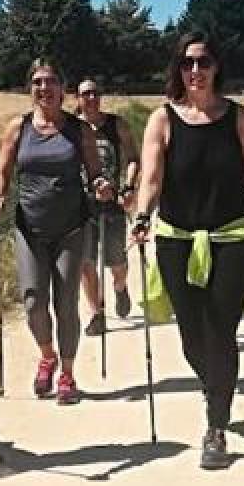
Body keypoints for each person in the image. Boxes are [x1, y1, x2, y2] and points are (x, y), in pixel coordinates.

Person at [132, 33, 244, 470]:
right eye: (188, 63)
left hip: (232, 236)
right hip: (177, 238)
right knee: (191, 333)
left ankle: (216, 425)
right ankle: (214, 382)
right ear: (178, 69)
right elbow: (153, 178)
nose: (196, 71)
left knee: (220, 327)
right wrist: (141, 215)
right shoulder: (162, 120)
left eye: (204, 62)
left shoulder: (239, 117)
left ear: (217, 68)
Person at [0, 59, 111, 405]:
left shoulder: (79, 130)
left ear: (63, 88)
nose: (45, 88)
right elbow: (2, 171)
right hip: (30, 228)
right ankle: (47, 356)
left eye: (52, 82)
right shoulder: (19, 128)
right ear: (31, 89)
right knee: (32, 301)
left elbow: (95, 171)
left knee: (66, 301)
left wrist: (101, 185)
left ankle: (68, 374)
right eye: (38, 82)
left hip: (71, 227)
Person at [74, 77, 140, 335]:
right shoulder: (72, 128)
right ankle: (97, 313)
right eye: (85, 94)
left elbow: (133, 158)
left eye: (95, 93)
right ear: (77, 98)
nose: (91, 98)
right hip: (82, 207)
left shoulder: (116, 125)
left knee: (116, 262)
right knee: (86, 262)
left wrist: (128, 187)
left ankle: (120, 287)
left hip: (113, 205)